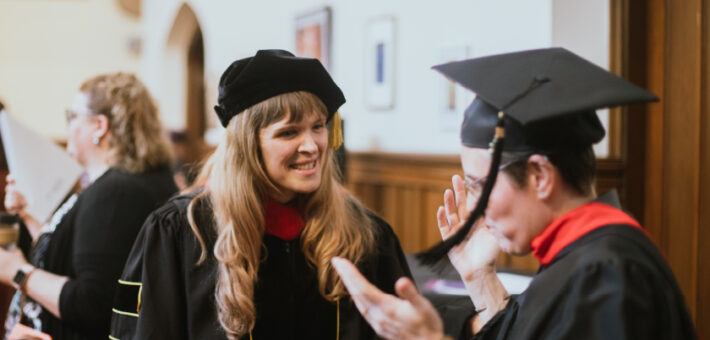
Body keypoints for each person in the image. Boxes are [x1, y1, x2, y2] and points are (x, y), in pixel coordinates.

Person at [331, 48, 697, 339]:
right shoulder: (583, 258)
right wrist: (479, 278)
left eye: (480, 185)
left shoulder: (605, 276)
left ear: (539, 175)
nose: (472, 206)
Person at [109, 49, 411, 340]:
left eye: (318, 127)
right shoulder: (181, 232)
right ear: (247, 145)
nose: (312, 145)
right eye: (289, 132)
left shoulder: (364, 233)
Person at [0, 72, 177, 340]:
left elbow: (92, 301)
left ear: (99, 126)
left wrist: (18, 271)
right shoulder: (137, 182)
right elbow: (83, 257)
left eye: (72, 117)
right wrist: (28, 217)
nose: (69, 127)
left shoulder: (113, 193)